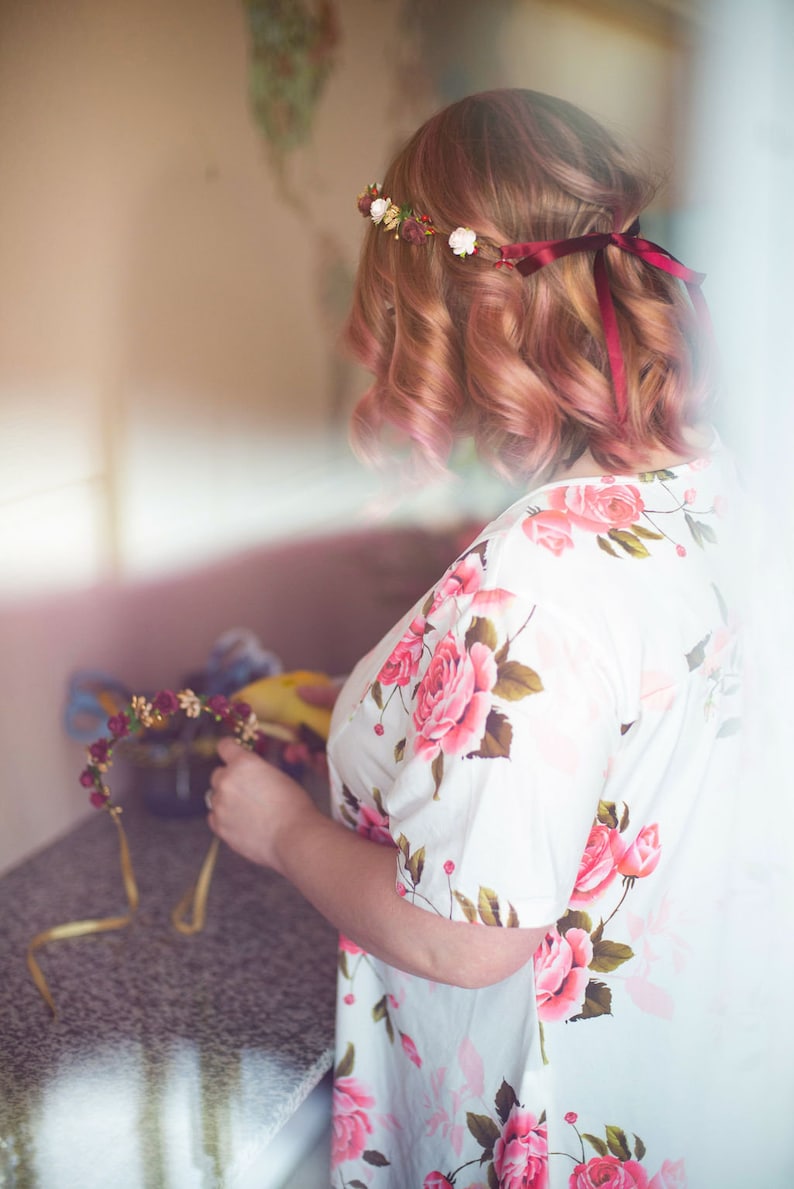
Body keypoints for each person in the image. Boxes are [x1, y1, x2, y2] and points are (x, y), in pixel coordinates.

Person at [207, 90, 746, 1188]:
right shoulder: (705, 484)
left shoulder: (533, 585)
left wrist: (280, 833)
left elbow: (466, 939)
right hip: (685, 1087)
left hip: (545, 1107)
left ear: (444, 319)